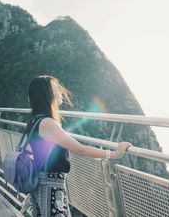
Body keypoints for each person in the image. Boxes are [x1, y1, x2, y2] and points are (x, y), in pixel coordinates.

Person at [27, 75, 131, 216]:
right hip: (50, 187)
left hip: (40, 183)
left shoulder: (35, 119)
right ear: (46, 95)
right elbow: (81, 150)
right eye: (56, 89)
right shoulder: (47, 123)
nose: (60, 92)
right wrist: (115, 154)